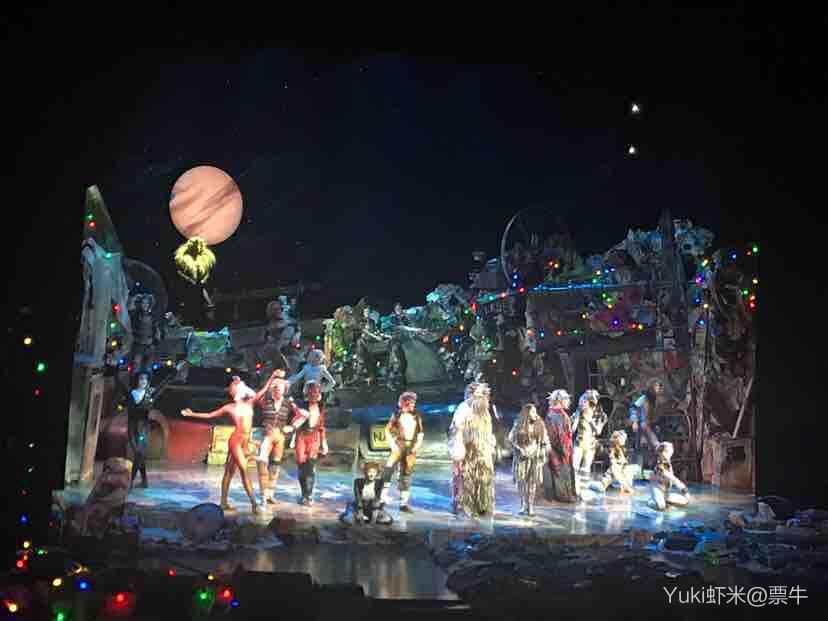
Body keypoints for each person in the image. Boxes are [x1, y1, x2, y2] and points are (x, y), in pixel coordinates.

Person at [182, 377, 261, 514]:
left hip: (244, 442)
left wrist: (272, 377)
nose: (233, 390)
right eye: (232, 388)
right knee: (244, 469)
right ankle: (254, 503)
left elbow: (259, 393)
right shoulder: (230, 407)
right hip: (235, 441)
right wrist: (192, 414)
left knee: (229, 472)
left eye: (235, 387)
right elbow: (210, 415)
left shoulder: (249, 403)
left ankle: (223, 502)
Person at [448, 382, 497, 517]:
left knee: (483, 478)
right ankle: (465, 505)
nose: (481, 399)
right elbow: (456, 431)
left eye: (483, 396)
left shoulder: (485, 412)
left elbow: (488, 430)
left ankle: (482, 504)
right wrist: (458, 451)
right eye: (478, 396)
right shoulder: (463, 409)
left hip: (483, 451)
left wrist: (490, 445)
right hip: (468, 452)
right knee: (466, 479)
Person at [255, 369, 298, 505]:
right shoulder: (265, 401)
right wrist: (272, 377)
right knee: (262, 463)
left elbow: (302, 414)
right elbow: (259, 395)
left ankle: (270, 494)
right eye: (275, 387)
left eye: (280, 387)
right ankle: (263, 494)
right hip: (267, 435)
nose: (277, 389)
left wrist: (293, 427)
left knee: (275, 466)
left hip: (280, 436)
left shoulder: (288, 403)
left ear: (285, 390)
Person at [284, 380, 328, 505]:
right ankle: (304, 494)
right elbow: (295, 417)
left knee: (310, 466)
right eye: (311, 392)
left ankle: (309, 495)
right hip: (302, 437)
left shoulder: (321, 407)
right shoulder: (301, 405)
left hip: (314, 438)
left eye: (316, 392)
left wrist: (324, 443)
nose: (314, 394)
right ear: (307, 393)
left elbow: (321, 427)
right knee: (302, 466)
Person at [382, 392, 425, 513]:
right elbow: (387, 430)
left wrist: (417, 445)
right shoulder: (397, 415)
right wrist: (392, 445)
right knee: (388, 470)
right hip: (399, 445)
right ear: (404, 403)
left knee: (406, 473)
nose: (413, 405)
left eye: (414, 403)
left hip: (410, 447)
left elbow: (420, 432)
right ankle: (381, 499)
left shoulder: (416, 416)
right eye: (410, 403)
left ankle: (403, 503)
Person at [508, 403, 551, 516]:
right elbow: (511, 439)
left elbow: (545, 440)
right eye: (532, 412)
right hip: (522, 458)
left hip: (534, 457)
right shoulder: (518, 424)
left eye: (535, 412)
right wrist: (519, 449)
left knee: (532, 482)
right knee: (521, 482)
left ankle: (530, 505)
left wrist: (543, 449)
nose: (535, 414)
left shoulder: (540, 424)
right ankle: (523, 504)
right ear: (527, 413)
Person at [571, 389, 608, 497]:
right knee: (574, 466)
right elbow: (572, 429)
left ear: (590, 402)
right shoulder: (579, 412)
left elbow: (598, 431)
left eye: (584, 401)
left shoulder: (599, 414)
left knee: (586, 467)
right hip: (579, 442)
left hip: (590, 444)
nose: (581, 403)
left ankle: (583, 489)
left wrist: (589, 420)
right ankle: (575, 489)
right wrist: (577, 416)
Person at [544, 389, 577, 503]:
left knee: (566, 472)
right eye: (566, 399)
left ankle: (567, 494)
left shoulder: (561, 414)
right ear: (560, 400)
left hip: (564, 450)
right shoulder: (553, 415)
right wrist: (563, 450)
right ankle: (563, 495)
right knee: (560, 472)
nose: (568, 402)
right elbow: (554, 437)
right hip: (558, 451)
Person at [339, 462, 393, 526]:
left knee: (388, 520)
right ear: (365, 472)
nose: (371, 474)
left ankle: (369, 518)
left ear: (377, 473)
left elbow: (376, 503)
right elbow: (359, 501)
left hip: (371, 508)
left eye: (374, 472)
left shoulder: (379, 483)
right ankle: (350, 516)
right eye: (369, 472)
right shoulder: (358, 481)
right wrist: (362, 521)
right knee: (348, 520)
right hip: (357, 506)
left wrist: (372, 523)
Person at [629, 380, 663, 468]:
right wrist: (634, 421)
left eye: (658, 387)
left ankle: (652, 465)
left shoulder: (656, 400)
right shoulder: (644, 398)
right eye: (656, 386)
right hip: (643, 425)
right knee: (643, 446)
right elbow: (633, 408)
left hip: (652, 425)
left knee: (651, 449)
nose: (658, 389)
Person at [589, 430, 634, 494]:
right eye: (622, 438)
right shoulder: (611, 449)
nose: (624, 439)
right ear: (617, 439)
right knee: (600, 488)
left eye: (624, 438)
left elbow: (623, 465)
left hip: (613, 475)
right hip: (605, 479)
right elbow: (614, 468)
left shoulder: (622, 449)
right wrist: (625, 485)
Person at [649, 441, 690, 511]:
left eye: (670, 451)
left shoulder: (668, 463)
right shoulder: (660, 465)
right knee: (661, 507)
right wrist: (684, 489)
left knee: (685, 501)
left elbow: (673, 479)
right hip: (657, 490)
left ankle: (666, 501)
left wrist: (684, 491)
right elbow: (673, 478)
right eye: (666, 451)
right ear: (661, 453)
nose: (669, 453)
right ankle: (654, 501)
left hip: (666, 492)